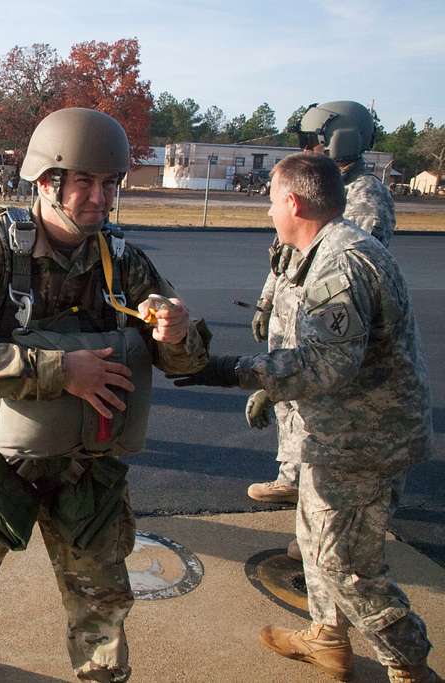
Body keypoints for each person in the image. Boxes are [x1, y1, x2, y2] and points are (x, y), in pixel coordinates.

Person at [0, 108, 209, 683]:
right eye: (86, 182)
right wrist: (59, 372)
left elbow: (185, 358)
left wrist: (177, 334)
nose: (101, 198)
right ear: (46, 182)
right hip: (1, 452)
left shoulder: (122, 261)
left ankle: (101, 675)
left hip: (86, 461)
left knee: (103, 597)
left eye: (110, 184)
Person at [172, 153, 439, 683]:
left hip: (362, 442)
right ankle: (327, 638)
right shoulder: (325, 250)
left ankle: (408, 661)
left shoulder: (340, 263)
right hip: (339, 431)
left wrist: (231, 370)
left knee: (347, 568)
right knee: (315, 542)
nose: (269, 211)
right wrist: (277, 392)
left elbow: (326, 365)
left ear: (293, 202)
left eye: (272, 200)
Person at [248, 102, 396, 519]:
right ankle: (293, 479)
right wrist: (266, 301)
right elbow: (287, 254)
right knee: (290, 405)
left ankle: (320, 501)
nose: (308, 149)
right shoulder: (316, 184)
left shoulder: (363, 195)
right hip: (293, 316)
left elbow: (348, 270)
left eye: (314, 141)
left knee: (321, 407)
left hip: (327, 324)